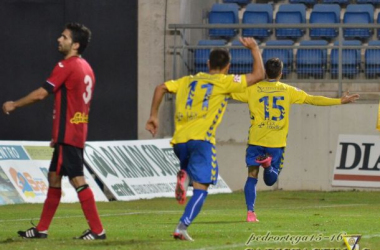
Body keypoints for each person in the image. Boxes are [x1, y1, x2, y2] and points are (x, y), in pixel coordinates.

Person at [145, 37, 265, 241]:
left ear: (208, 64)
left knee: (191, 170)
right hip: (201, 141)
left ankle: (184, 175)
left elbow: (160, 88)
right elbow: (259, 75)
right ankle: (181, 227)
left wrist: (154, 116)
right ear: (227, 67)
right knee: (202, 188)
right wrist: (254, 48)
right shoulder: (225, 81)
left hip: (179, 142)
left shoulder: (187, 80)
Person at [2, 23, 106, 240]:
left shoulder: (66, 65)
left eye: (64, 37)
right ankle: (41, 229)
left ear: (75, 44)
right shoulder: (87, 68)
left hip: (68, 134)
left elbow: (41, 94)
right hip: (74, 131)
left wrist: (14, 104)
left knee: (77, 179)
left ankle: (98, 230)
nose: (59, 39)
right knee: (54, 177)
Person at [231, 58, 360, 223]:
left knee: (251, 176)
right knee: (270, 180)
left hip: (256, 140)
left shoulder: (252, 90)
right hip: (276, 143)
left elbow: (229, 91)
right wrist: (339, 101)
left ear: (265, 73)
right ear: (281, 74)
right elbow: (312, 99)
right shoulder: (288, 90)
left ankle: (250, 213)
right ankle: (268, 164)